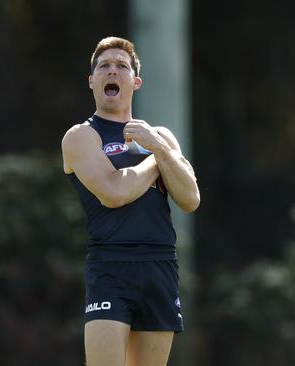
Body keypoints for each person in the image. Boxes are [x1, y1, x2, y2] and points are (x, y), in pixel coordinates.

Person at [61, 36, 200, 366]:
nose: (113, 71)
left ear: (135, 82)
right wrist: (159, 159)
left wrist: (160, 145)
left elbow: (190, 197)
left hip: (160, 264)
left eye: (122, 66)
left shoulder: (160, 137)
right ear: (92, 81)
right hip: (112, 265)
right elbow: (114, 193)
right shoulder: (81, 136)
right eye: (104, 66)